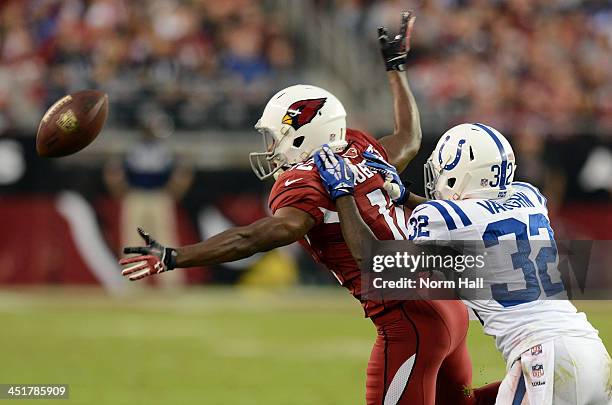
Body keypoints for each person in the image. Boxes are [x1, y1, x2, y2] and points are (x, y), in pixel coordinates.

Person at [119, 12, 498, 405]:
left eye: (275, 137)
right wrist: (396, 68)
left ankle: (545, 392)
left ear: (304, 134)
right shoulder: (357, 149)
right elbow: (409, 137)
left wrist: (175, 256)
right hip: (446, 302)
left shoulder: (306, 180)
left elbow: (256, 237)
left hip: (410, 316)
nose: (270, 148)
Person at [312, 122, 611, 405]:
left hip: (545, 356)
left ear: (460, 175)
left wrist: (344, 194)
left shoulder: (439, 218)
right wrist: (405, 196)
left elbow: (374, 259)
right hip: (591, 352)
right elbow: (478, 217)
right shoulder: (529, 196)